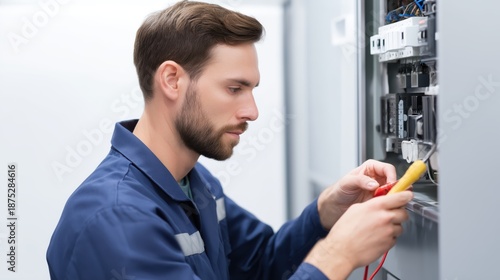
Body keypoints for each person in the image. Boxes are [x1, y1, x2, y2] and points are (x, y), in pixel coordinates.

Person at [46, 1, 412, 279]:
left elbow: (262, 264)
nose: (252, 111)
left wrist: (325, 212)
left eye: (251, 90)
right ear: (172, 80)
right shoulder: (118, 218)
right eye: (234, 88)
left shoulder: (195, 184)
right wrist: (337, 255)